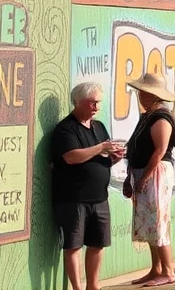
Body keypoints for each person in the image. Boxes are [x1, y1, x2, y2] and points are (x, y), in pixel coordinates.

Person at [53, 83, 122, 290]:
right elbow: (71, 157)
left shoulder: (99, 127)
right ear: (78, 102)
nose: (96, 107)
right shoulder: (66, 128)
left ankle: (93, 285)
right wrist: (101, 147)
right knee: (74, 245)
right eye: (92, 102)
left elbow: (100, 159)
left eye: (98, 102)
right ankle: (77, 287)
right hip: (74, 198)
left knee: (97, 244)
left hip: (99, 198)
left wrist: (114, 158)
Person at [125, 74, 175, 287]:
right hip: (142, 173)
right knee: (148, 223)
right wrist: (132, 177)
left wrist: (144, 178)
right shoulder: (147, 116)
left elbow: (159, 151)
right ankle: (155, 268)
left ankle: (168, 270)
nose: (139, 95)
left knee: (158, 222)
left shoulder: (161, 118)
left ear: (152, 95)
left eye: (142, 92)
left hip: (155, 173)